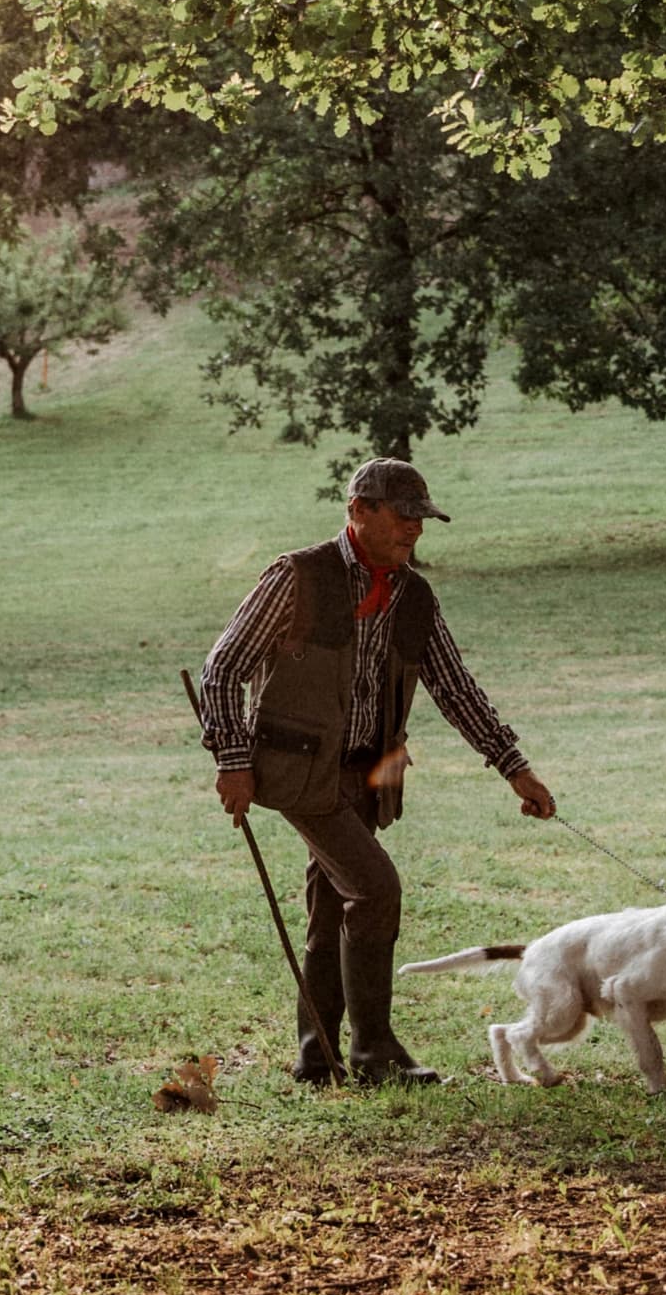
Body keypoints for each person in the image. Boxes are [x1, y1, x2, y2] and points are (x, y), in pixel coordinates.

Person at [197, 458, 555, 1086]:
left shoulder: (412, 593)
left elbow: (454, 686)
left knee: (333, 902)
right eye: (402, 515)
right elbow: (223, 669)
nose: (415, 529)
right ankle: (374, 1053)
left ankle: (318, 1058)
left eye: (422, 517)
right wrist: (232, 762)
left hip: (368, 777)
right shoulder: (299, 576)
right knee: (376, 888)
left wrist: (514, 768)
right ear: (358, 508)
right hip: (298, 773)